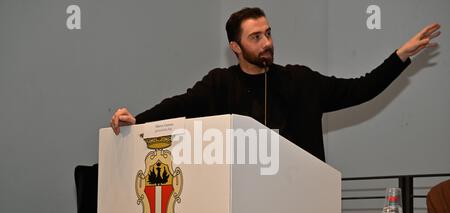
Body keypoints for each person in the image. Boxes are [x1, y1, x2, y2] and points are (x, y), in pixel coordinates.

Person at [110, 7, 440, 161]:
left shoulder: (300, 80)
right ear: (235, 48)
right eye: (256, 37)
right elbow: (179, 106)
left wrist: (401, 56)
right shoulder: (219, 84)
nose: (266, 42)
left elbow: (362, 88)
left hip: (302, 198)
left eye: (268, 33)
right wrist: (136, 121)